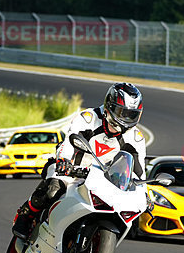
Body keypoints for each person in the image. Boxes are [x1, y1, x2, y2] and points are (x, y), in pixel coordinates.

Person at [12, 82, 147, 240]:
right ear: (109, 106)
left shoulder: (135, 138)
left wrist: (144, 193)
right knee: (54, 188)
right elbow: (68, 142)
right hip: (72, 170)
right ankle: (26, 215)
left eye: (130, 114)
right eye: (121, 112)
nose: (124, 118)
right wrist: (64, 160)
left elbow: (139, 171)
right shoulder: (89, 118)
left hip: (103, 181)